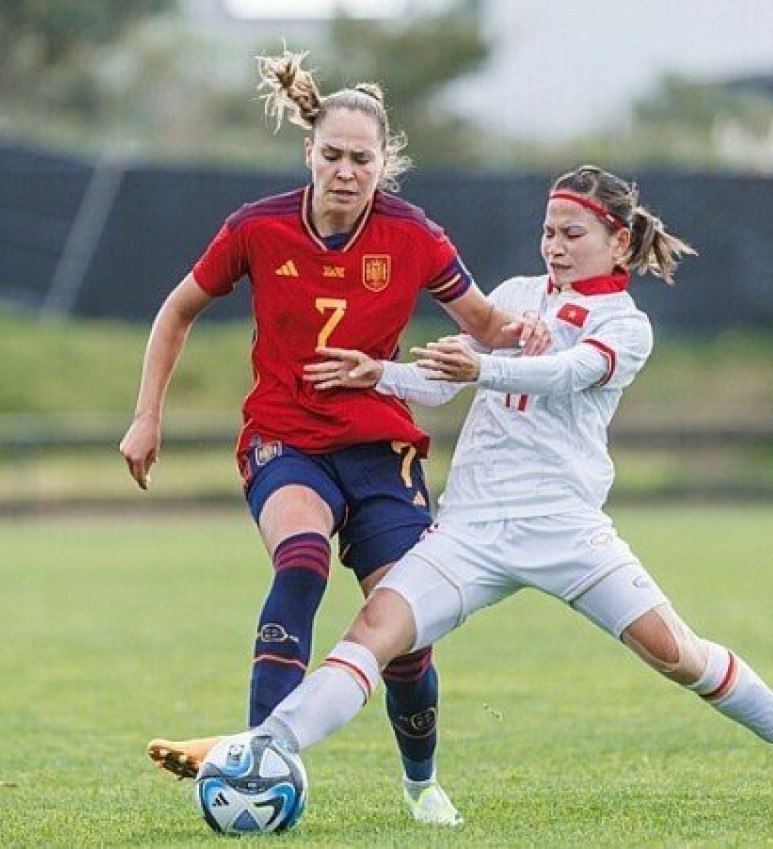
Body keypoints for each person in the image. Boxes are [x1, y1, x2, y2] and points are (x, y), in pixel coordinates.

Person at [147, 164, 773, 819]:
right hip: (471, 526)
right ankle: (260, 745)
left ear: (619, 243)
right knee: (373, 634)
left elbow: (566, 374)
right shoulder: (513, 295)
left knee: (679, 654)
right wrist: (385, 376)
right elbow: (443, 385)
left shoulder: (626, 326)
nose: (555, 246)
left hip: (567, 528)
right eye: (548, 230)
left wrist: (484, 369)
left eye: (573, 233)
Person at [121, 49, 546, 826]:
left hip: (382, 451)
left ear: (386, 162)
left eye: (362, 158)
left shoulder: (413, 235)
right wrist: (148, 413)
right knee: (303, 558)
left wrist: (549, 336)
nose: (346, 171)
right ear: (308, 154)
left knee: (404, 632)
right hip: (285, 440)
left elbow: (488, 326)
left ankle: (422, 783)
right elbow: (176, 309)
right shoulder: (257, 228)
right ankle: (259, 751)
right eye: (332, 155)